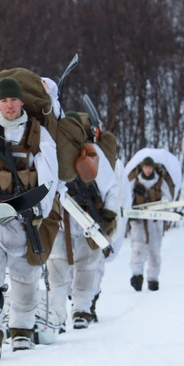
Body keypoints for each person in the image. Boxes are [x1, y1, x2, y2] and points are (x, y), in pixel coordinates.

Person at [0, 77, 59, 356]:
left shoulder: (37, 134)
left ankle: (22, 330)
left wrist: (40, 212)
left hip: (25, 219)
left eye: (13, 99)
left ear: (22, 101)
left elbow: (49, 175)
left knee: (25, 279)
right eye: (3, 100)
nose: (9, 105)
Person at [47, 132, 119, 330]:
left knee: (85, 266)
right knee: (58, 265)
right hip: (60, 215)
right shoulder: (51, 148)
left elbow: (110, 188)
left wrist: (107, 217)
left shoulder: (91, 154)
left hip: (87, 218)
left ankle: (81, 309)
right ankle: (59, 312)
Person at [126, 157, 171, 290]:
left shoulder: (160, 182)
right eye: (145, 167)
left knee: (154, 251)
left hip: (155, 221)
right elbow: (127, 199)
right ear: (142, 167)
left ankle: (153, 279)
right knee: (138, 248)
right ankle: (137, 276)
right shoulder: (135, 181)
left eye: (150, 167)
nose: (147, 170)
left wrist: (163, 202)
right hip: (139, 221)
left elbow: (168, 198)